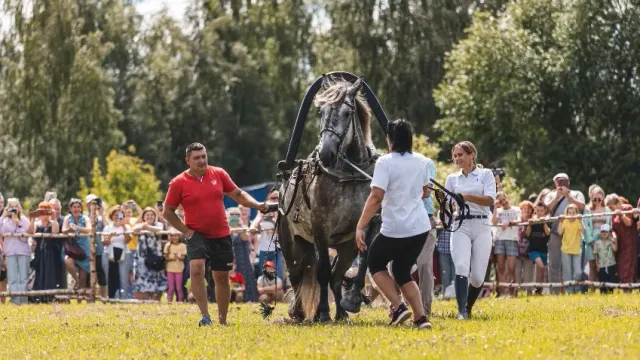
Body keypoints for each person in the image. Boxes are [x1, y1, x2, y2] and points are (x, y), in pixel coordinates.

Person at [163, 142, 269, 326]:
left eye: (204, 156)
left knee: (221, 277)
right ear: (187, 160)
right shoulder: (178, 183)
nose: (201, 160)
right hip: (196, 234)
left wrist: (257, 205)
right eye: (196, 158)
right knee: (196, 269)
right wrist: (186, 231)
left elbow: (237, 194)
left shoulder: (218, 174)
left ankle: (222, 320)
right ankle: (206, 316)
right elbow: (168, 212)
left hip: (221, 234)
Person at [355, 119, 433, 330]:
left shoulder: (385, 162)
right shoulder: (423, 161)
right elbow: (425, 191)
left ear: (390, 139)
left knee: (375, 262)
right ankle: (421, 318)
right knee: (401, 270)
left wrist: (360, 226)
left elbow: (376, 197)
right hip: (419, 228)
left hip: (396, 228)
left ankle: (398, 307)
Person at [444, 141, 496, 320]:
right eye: (455, 155)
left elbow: (490, 200)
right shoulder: (451, 179)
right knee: (461, 266)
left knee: (478, 278)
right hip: (461, 225)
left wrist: (466, 197)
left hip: (482, 226)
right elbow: (446, 206)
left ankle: (468, 307)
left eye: (460, 155)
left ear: (471, 155)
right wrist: (450, 205)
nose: (457, 158)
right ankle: (461, 311)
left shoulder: (485, 174)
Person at [544, 173, 585, 293]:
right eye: (559, 182)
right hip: (556, 231)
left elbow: (582, 207)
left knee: (575, 264)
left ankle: (575, 290)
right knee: (554, 263)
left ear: (568, 182)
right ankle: (556, 291)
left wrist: (568, 196)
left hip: (574, 233)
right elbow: (545, 209)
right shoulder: (550, 195)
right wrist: (557, 196)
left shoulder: (577, 193)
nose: (561, 184)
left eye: (564, 182)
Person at [415, 151, 438, 316]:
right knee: (393, 266)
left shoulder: (426, 163)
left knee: (424, 264)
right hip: (404, 221)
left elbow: (426, 192)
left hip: (426, 220)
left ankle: (425, 309)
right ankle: (397, 306)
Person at [0, 198, 32, 304]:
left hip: (23, 252)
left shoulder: (24, 220)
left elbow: (24, 238)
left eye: (16, 206)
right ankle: (14, 301)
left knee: (23, 278)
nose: (14, 209)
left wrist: (18, 223)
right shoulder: (4, 221)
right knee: (12, 278)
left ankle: (23, 301)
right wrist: (3, 216)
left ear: (19, 208)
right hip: (10, 253)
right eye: (11, 206)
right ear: (7, 208)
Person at [133, 207, 167, 300]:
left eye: (152, 215)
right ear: (143, 217)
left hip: (156, 256)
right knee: (143, 278)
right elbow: (134, 230)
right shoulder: (139, 225)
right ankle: (145, 299)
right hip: (142, 257)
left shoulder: (159, 224)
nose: (149, 216)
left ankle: (156, 299)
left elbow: (159, 230)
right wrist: (143, 225)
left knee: (157, 277)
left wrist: (146, 227)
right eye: (147, 215)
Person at [491, 192, 521, 296]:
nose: (503, 202)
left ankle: (513, 291)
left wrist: (509, 222)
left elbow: (519, 220)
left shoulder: (516, 209)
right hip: (500, 240)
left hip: (512, 239)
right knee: (501, 267)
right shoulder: (498, 211)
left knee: (511, 267)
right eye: (500, 201)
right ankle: (502, 292)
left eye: (504, 199)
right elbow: (493, 222)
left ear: (507, 198)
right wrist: (495, 207)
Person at [558, 204, 584, 293]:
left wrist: (580, 221)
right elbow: (559, 232)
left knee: (578, 272)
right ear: (567, 213)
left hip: (576, 249)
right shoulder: (564, 221)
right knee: (567, 272)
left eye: (574, 213)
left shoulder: (578, 221)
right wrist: (560, 222)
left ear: (576, 213)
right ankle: (569, 291)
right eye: (570, 213)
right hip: (566, 249)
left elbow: (583, 231)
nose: (572, 215)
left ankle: (576, 290)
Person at [526, 202, 551, 294]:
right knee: (540, 265)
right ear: (535, 210)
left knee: (541, 269)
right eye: (538, 210)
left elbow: (548, 234)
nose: (540, 212)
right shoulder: (531, 221)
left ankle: (538, 289)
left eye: (542, 211)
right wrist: (529, 225)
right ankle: (537, 287)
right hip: (533, 249)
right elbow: (527, 234)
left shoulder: (547, 221)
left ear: (545, 211)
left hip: (543, 249)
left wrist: (544, 223)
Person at [593, 224, 617, 294]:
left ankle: (611, 292)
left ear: (609, 233)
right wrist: (597, 264)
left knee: (611, 280)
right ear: (600, 233)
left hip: (611, 264)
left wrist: (613, 239)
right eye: (602, 232)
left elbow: (615, 249)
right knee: (602, 280)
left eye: (606, 232)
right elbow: (596, 254)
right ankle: (603, 293)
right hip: (602, 265)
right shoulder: (597, 243)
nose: (604, 233)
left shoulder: (611, 241)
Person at [164, 231, 187, 302]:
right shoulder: (167, 245)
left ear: (179, 236)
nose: (174, 237)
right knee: (171, 288)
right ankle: (169, 301)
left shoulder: (183, 246)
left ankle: (180, 301)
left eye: (176, 235)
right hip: (170, 270)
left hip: (179, 270)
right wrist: (171, 258)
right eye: (173, 236)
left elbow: (183, 258)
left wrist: (178, 256)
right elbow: (166, 257)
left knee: (179, 287)